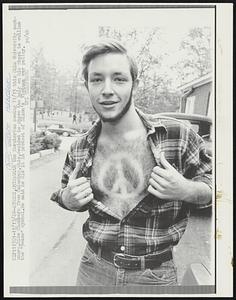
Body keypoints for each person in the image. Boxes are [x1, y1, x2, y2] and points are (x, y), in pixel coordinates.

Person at [50, 40, 212, 286]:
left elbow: (218, 191)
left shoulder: (178, 136)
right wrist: (68, 199)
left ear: (135, 84)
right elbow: (64, 193)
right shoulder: (80, 147)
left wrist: (186, 189)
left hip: (154, 277)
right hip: (93, 271)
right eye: (96, 79)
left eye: (119, 78)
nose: (106, 89)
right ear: (87, 86)